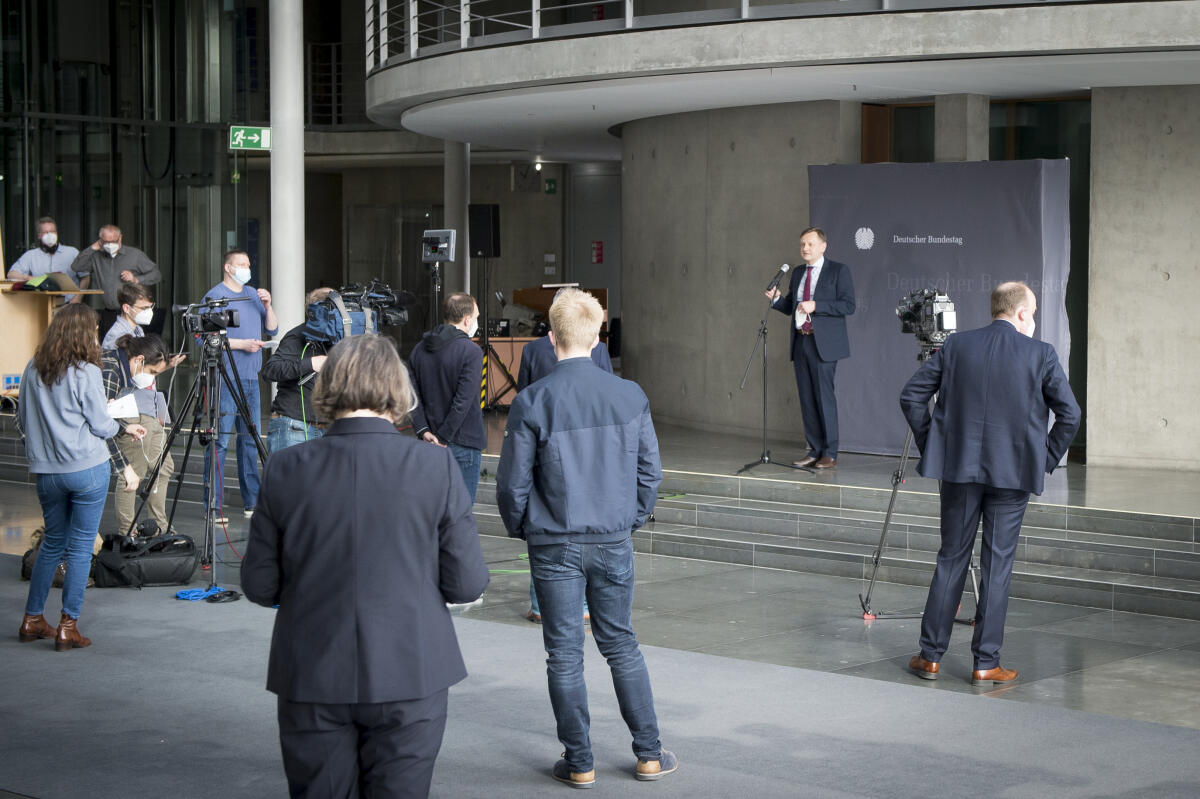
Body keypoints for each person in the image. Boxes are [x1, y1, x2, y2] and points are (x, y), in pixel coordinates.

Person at [241, 334, 489, 799]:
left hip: (313, 669)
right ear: (397, 388)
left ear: (326, 386)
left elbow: (259, 584)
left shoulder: (284, 467)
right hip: (411, 669)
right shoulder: (434, 467)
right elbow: (466, 583)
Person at [496, 288, 676, 788]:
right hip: (612, 538)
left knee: (564, 653)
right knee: (622, 644)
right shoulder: (630, 394)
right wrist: (629, 520)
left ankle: (580, 762)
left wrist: (523, 528)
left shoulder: (533, 399)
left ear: (550, 338)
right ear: (599, 337)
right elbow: (650, 474)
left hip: (553, 542)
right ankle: (649, 755)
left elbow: (512, 485)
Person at [901, 281, 1080, 687]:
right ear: (1020, 313)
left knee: (951, 559)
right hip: (1012, 477)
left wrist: (937, 447)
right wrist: (1043, 460)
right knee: (997, 566)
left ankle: (930, 657)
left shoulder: (957, 346)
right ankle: (986, 663)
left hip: (959, 471)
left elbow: (911, 395)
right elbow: (1070, 416)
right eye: (1032, 312)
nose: (1033, 319)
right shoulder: (1041, 354)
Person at [16, 305, 145, 651]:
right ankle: (67, 626)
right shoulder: (86, 370)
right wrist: (121, 426)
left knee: (52, 542)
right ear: (85, 332)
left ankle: (31, 619)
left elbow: (23, 422)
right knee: (80, 547)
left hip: (47, 472)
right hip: (86, 468)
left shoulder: (32, 368)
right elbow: (101, 424)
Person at [515, 327, 612, 624]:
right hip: (585, 448)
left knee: (542, 533)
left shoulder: (532, 350)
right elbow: (606, 390)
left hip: (545, 450)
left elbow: (523, 395)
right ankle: (581, 605)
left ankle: (539, 606)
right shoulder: (598, 350)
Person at [765, 226, 855, 469]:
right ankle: (814, 449)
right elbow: (791, 307)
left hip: (823, 343)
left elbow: (848, 305)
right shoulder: (797, 273)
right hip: (801, 340)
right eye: (802, 244)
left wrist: (818, 305)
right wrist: (776, 300)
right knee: (807, 398)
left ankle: (830, 453)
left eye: (810, 244)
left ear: (823, 246)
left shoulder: (838, 271)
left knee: (824, 398)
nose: (805, 248)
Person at [202, 249, 277, 518]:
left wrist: (268, 305)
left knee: (249, 440)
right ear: (228, 267)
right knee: (220, 441)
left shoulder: (253, 294)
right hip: (224, 377)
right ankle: (214, 504)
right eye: (241, 264)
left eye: (248, 263)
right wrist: (240, 344)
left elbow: (272, 328)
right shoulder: (214, 296)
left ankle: (252, 502)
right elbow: (205, 338)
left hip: (250, 378)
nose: (247, 268)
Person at [409, 293, 485, 502]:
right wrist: (443, 437)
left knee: (432, 511)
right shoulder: (471, 351)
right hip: (463, 442)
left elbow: (411, 396)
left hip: (428, 441)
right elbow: (463, 401)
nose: (476, 321)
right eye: (476, 316)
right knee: (460, 514)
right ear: (467, 319)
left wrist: (423, 430)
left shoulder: (418, 349)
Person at [102, 334, 175, 540]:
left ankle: (159, 527)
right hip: (131, 414)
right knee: (133, 472)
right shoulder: (112, 368)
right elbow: (101, 416)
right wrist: (124, 427)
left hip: (145, 414)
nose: (151, 378)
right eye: (152, 372)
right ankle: (127, 532)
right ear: (139, 359)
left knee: (164, 466)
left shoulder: (131, 369)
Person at [260, 287, 334, 454]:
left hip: (321, 429)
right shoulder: (297, 336)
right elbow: (270, 370)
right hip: (293, 428)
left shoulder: (333, 340)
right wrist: (310, 363)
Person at [71, 224, 162, 334]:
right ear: (101, 241)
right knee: (109, 345)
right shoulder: (97, 256)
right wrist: (92, 248)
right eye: (106, 242)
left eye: (113, 241)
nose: (110, 245)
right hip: (109, 312)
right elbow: (76, 267)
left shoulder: (135, 255)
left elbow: (156, 274)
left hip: (132, 312)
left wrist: (136, 279)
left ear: (120, 238)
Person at [6, 216, 83, 303]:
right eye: (46, 232)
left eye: (53, 231)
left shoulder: (72, 252)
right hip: (41, 306)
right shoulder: (31, 255)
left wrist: (77, 298)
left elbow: (85, 277)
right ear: (39, 235)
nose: (50, 235)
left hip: (69, 305)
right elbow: (11, 274)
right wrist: (30, 278)